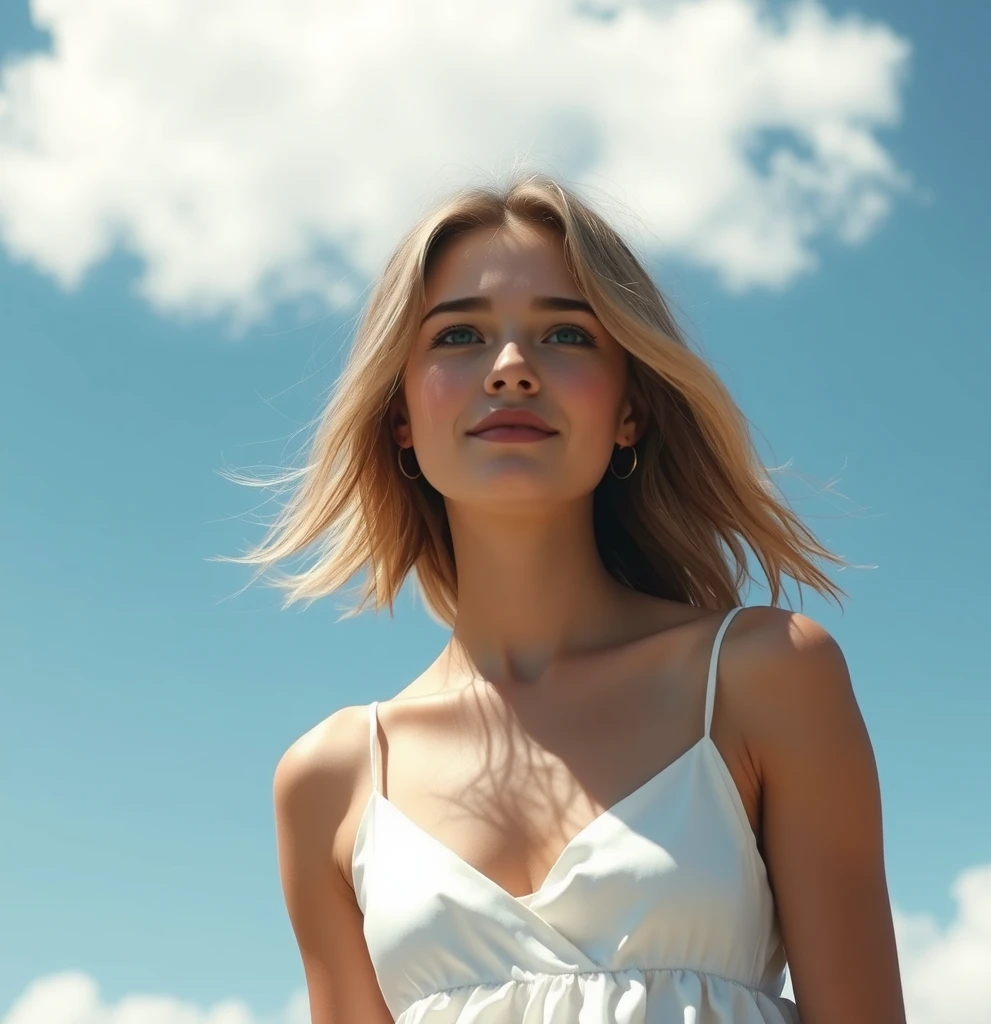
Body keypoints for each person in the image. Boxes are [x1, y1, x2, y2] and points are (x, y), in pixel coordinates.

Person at [225, 172, 906, 1022]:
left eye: (566, 336)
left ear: (631, 409)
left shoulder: (764, 677)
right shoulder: (332, 779)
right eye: (461, 335)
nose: (511, 369)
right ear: (400, 413)